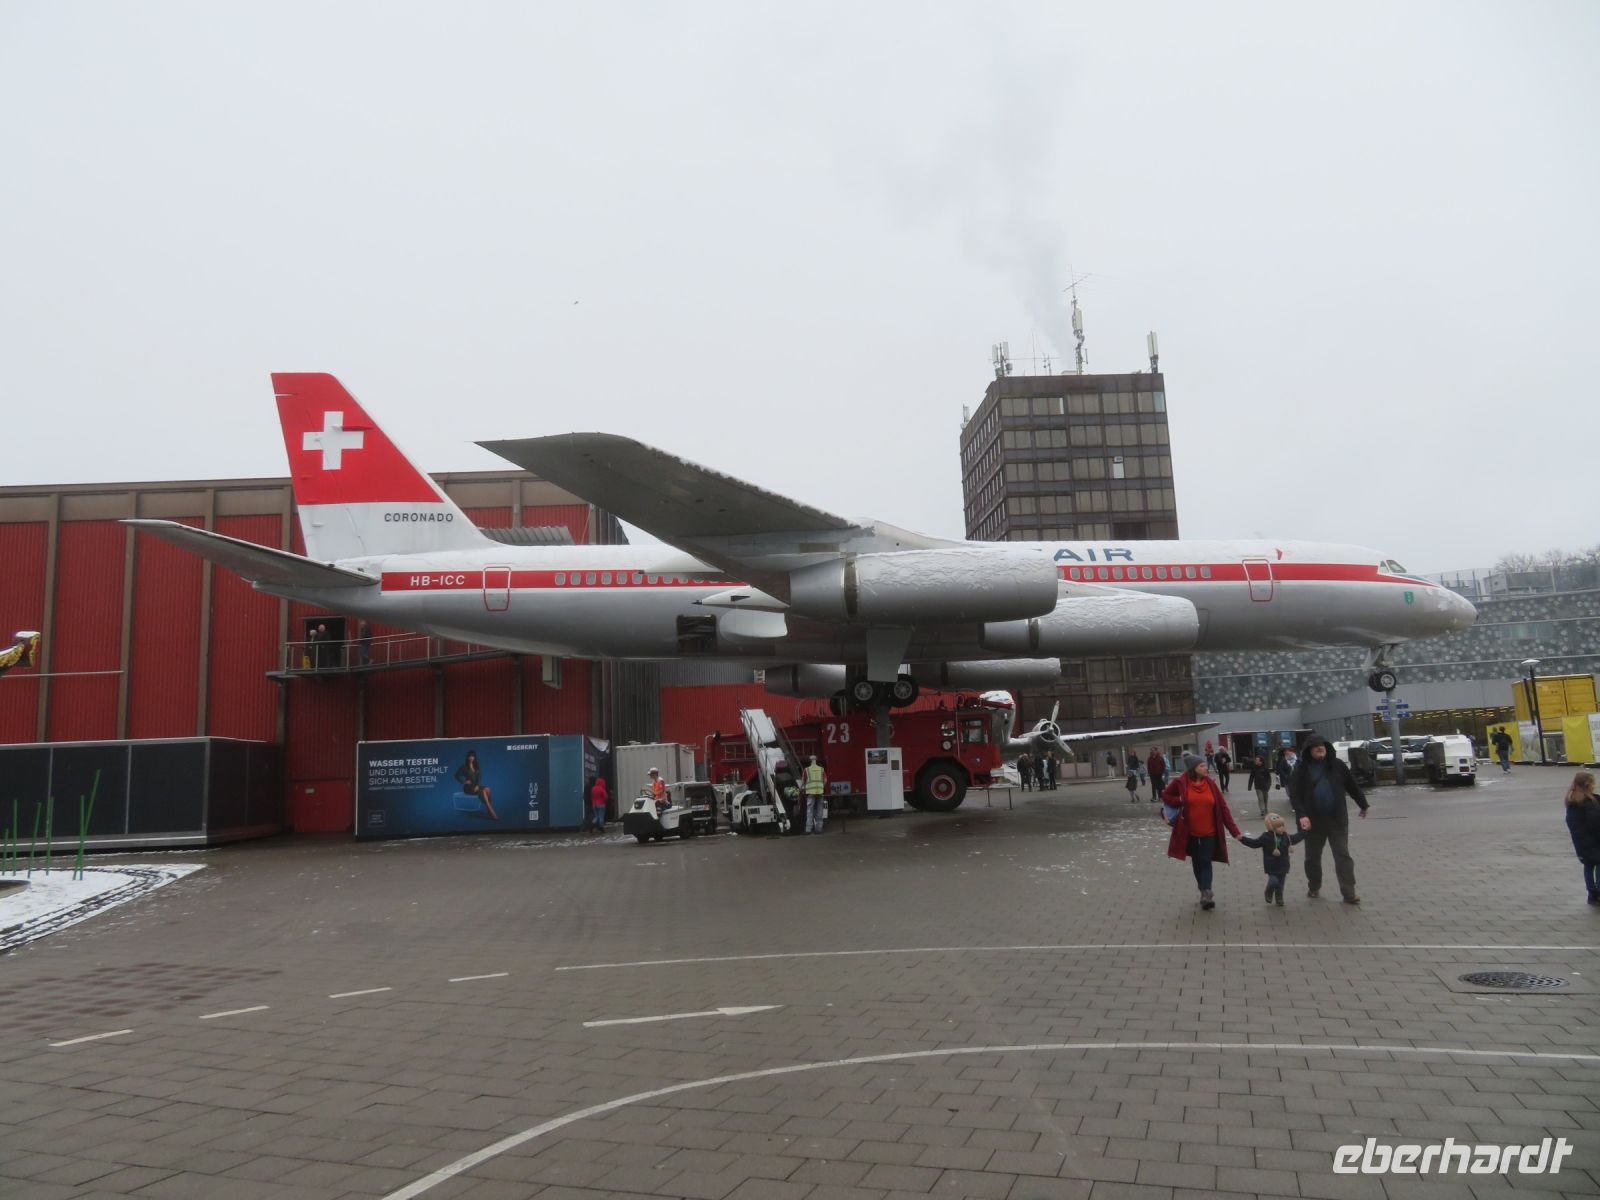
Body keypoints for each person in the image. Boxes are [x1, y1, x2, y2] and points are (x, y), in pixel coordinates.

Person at [1287, 735, 1369, 903]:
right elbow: (1295, 795)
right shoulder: (1301, 769)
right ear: (1309, 750)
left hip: (1337, 820)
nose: (1319, 748)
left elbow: (1352, 785)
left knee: (1342, 855)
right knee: (1312, 858)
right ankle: (1314, 886)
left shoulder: (1337, 765)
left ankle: (1349, 893)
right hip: (1312, 823)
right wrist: (1302, 815)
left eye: (1322, 745)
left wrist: (1363, 804)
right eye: (1315, 746)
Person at [1162, 752, 1242, 910]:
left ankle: (1206, 891)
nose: (1206, 767)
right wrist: (1178, 800)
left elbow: (1223, 809)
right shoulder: (1181, 782)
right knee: (1197, 863)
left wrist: (1235, 831)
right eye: (1202, 765)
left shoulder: (1211, 785)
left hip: (1210, 833)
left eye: (1205, 765)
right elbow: (1166, 796)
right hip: (1189, 833)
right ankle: (1203, 889)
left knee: (1205, 861)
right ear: (1193, 768)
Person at [1237, 811, 1306, 906]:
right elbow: (1254, 843)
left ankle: (1279, 897)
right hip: (1271, 865)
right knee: (1273, 881)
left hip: (1284, 865)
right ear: (1271, 827)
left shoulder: (1286, 836)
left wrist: (1304, 832)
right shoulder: (1266, 837)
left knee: (1281, 884)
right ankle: (1268, 891)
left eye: (1282, 825)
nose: (1281, 828)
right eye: (1278, 826)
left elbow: (1295, 838)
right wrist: (1243, 839)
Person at [1563, 772, 1600, 905]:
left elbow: (1570, 821)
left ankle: (1591, 893)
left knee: (1588, 865)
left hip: (1581, 841)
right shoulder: (1588, 802)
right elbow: (1595, 823)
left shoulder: (1572, 799)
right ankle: (1598, 892)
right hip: (1593, 840)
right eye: (1593, 783)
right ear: (1587, 784)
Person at [454, 750, 498, 820]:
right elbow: (456, 775)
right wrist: (464, 781)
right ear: (468, 757)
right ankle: (491, 811)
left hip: (476, 785)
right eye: (470, 756)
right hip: (468, 788)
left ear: (474, 757)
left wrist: (477, 785)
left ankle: (489, 809)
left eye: (473, 756)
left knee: (487, 789)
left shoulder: (477, 765)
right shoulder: (464, 766)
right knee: (483, 792)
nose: (471, 758)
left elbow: (479, 777)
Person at [802, 755, 828, 833]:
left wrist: (803, 788)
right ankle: (819, 829)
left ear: (809, 761)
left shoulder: (806, 770)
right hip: (820, 792)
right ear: (816, 761)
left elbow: (803, 782)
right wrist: (821, 787)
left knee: (810, 811)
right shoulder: (821, 769)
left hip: (810, 793)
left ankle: (808, 830)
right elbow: (825, 780)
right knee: (819, 810)